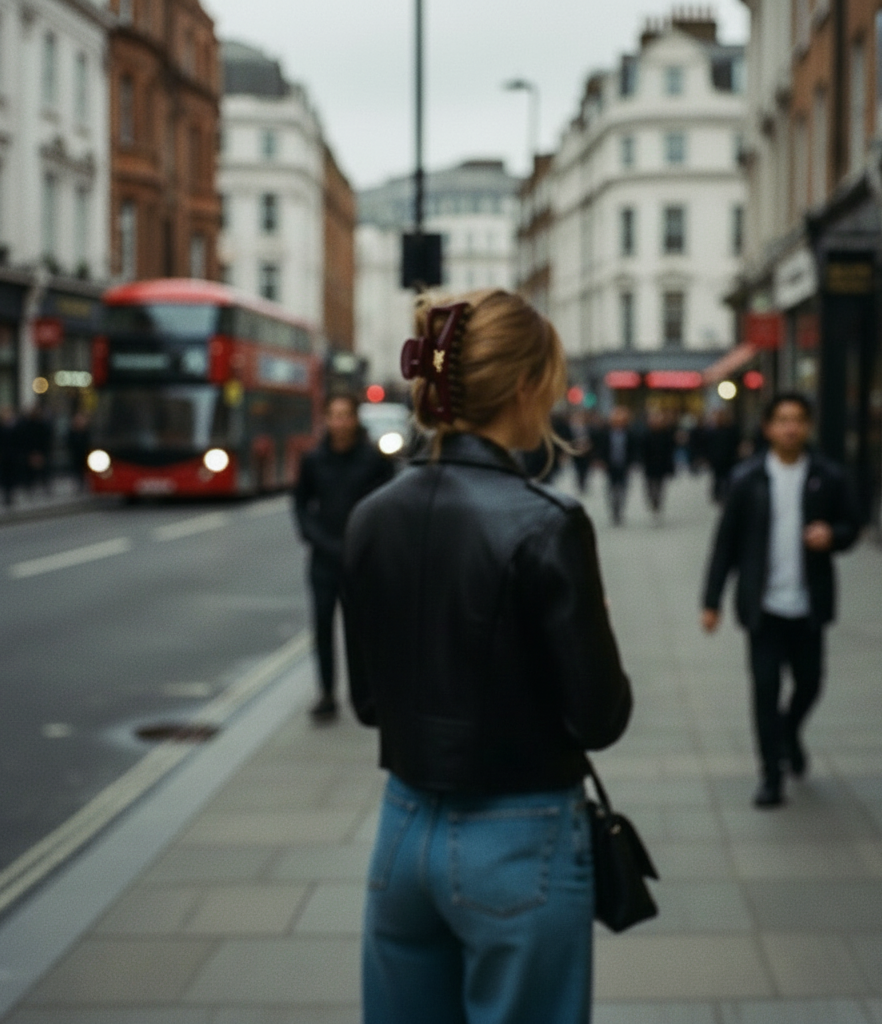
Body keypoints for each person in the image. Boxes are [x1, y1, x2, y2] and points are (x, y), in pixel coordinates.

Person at [342, 290, 632, 1024]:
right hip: (520, 835)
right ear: (528, 386)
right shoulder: (549, 523)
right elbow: (599, 717)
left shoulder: (371, 517)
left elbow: (368, 702)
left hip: (403, 830)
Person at [701, 393, 861, 808]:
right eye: (782, 419)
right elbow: (726, 544)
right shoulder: (747, 478)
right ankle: (771, 774)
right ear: (768, 427)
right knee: (765, 689)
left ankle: (790, 733)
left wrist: (834, 536)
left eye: (798, 420)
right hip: (763, 607)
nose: (791, 427)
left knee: (810, 682)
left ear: (808, 426)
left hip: (809, 605)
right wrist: (711, 600)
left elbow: (852, 526)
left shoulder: (828, 475)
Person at [293, 393, 394, 722]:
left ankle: (363, 697)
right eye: (333, 415)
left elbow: (387, 506)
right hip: (323, 560)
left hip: (360, 561)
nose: (339, 422)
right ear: (326, 419)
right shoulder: (313, 460)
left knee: (360, 632)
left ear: (355, 419)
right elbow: (301, 505)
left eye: (345, 415)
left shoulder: (374, 460)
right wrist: (317, 539)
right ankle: (326, 693)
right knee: (322, 627)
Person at [594, 405, 637, 526]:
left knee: (623, 489)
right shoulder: (605, 434)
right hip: (610, 466)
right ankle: (614, 509)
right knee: (611, 489)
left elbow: (634, 450)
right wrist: (599, 460)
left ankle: (620, 508)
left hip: (624, 466)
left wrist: (633, 463)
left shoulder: (630, 434)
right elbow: (600, 448)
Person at [641, 408, 676, 517]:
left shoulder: (666, 435)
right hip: (650, 466)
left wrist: (670, 467)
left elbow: (670, 452)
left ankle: (657, 502)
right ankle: (652, 500)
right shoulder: (646, 435)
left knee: (660, 486)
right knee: (650, 486)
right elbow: (642, 451)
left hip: (661, 465)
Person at [0, 407, 21, 507]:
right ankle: (5, 496)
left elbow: (18, 441)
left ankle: (10, 496)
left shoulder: (13, 427)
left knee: (11, 477)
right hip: (2, 457)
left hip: (11, 456)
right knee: (3, 477)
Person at [66, 412, 91, 491]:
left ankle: (84, 485)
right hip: (75, 455)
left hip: (85, 454)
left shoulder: (86, 432)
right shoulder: (72, 432)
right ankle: (78, 486)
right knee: (76, 471)